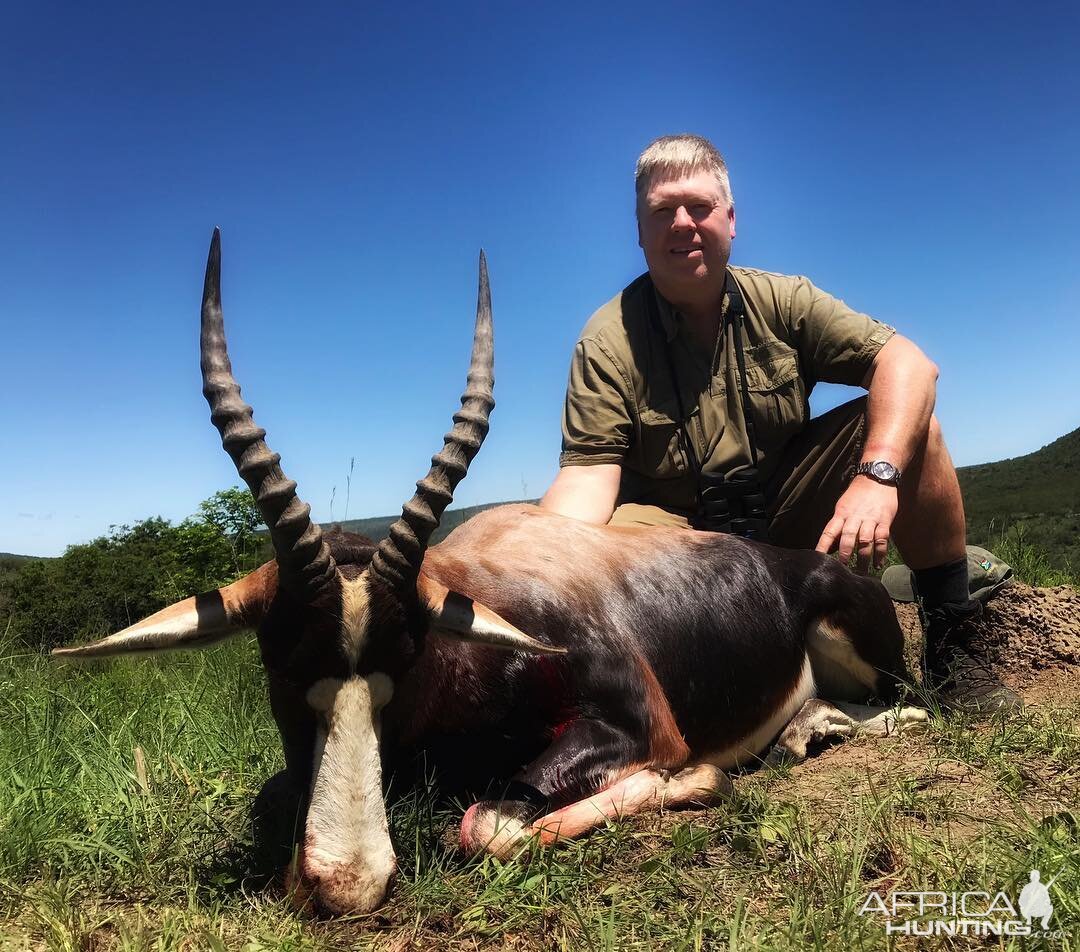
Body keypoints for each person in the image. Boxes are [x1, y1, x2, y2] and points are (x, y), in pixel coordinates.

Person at [540, 133, 1017, 714]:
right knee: (602, 548)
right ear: (639, 233)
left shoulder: (784, 300)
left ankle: (954, 650)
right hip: (680, 547)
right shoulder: (606, 340)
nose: (683, 223)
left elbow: (909, 363)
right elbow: (587, 480)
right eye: (662, 211)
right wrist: (536, 564)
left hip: (785, 518)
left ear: (731, 220)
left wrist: (876, 476)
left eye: (700, 207)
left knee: (919, 433)